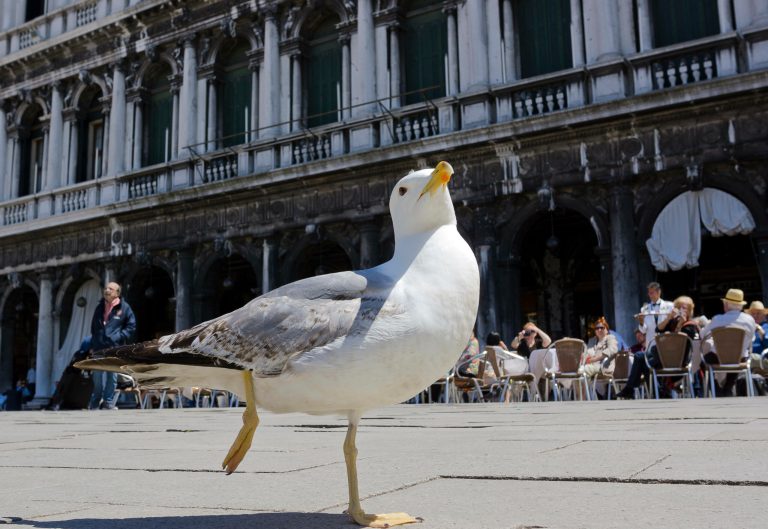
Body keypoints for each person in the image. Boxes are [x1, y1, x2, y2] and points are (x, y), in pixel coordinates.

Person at [618, 295, 700, 399]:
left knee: (642, 358)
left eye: (685, 308)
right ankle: (657, 391)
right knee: (640, 357)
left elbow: (677, 341)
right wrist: (669, 317)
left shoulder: (690, 326)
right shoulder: (672, 321)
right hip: (663, 357)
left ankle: (637, 389)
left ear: (690, 311)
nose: (682, 310)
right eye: (680, 307)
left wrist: (679, 325)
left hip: (678, 360)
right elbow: (658, 330)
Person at [89, 282, 136, 410]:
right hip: (99, 346)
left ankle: (108, 402)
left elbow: (131, 326)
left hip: (114, 347)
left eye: (110, 288)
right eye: (106, 288)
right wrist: (93, 343)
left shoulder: (124, 308)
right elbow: (93, 327)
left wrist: (118, 337)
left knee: (112, 375)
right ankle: (95, 401)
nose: (107, 290)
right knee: (97, 376)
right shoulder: (99, 307)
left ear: (117, 293)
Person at [699, 288, 755, 396]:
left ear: (727, 304)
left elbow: (702, 335)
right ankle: (728, 387)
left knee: (705, 358)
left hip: (719, 357)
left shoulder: (718, 319)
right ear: (741, 305)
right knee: (735, 358)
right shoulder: (750, 320)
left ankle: (717, 388)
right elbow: (751, 339)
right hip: (740, 358)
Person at [582, 317, 619, 398]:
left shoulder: (610, 338)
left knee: (582, 371)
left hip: (603, 367)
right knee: (579, 371)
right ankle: (585, 396)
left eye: (601, 328)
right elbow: (587, 353)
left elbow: (613, 349)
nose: (599, 330)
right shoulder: (592, 340)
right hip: (592, 367)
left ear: (606, 329)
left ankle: (583, 397)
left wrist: (596, 358)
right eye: (597, 328)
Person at [636, 282, 675, 347]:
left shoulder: (670, 306)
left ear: (659, 292)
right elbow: (643, 331)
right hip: (651, 341)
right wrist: (641, 322)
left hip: (666, 340)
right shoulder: (644, 309)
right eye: (649, 293)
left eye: (652, 293)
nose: (650, 295)